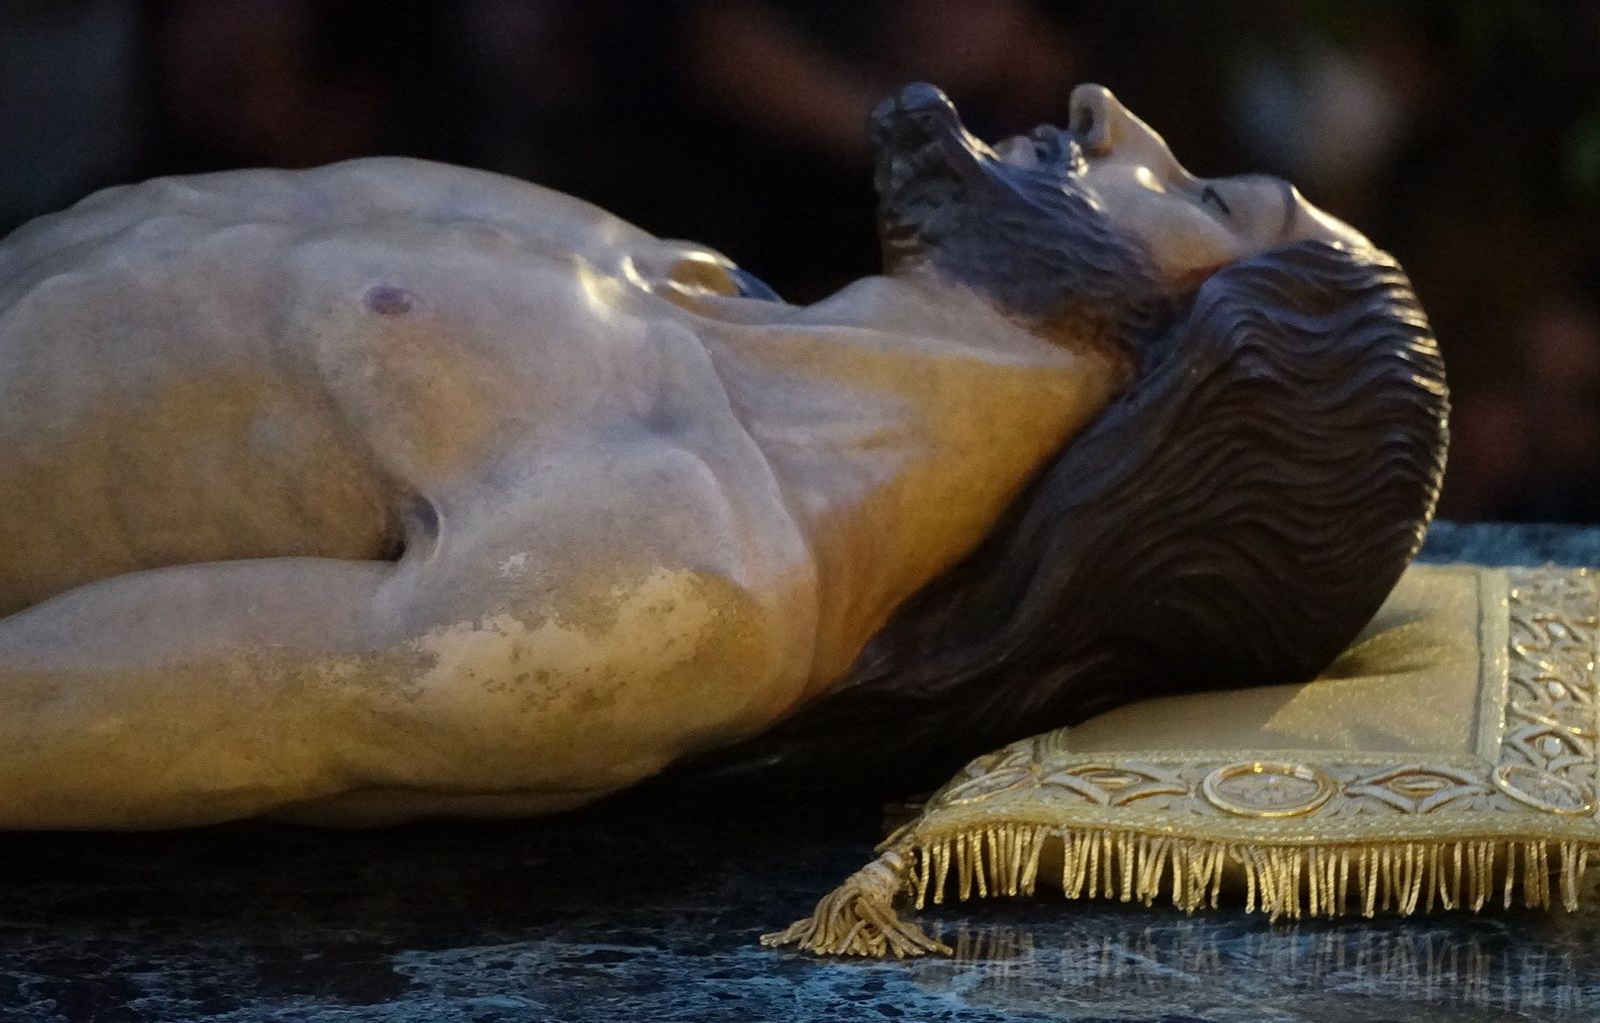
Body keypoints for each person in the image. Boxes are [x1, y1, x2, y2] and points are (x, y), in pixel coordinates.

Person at [0, 85, 1440, 827]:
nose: (1110, 122)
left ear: (1204, 377)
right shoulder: (711, 300)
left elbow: (147, 707)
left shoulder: (681, 587)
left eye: (1195, 192)